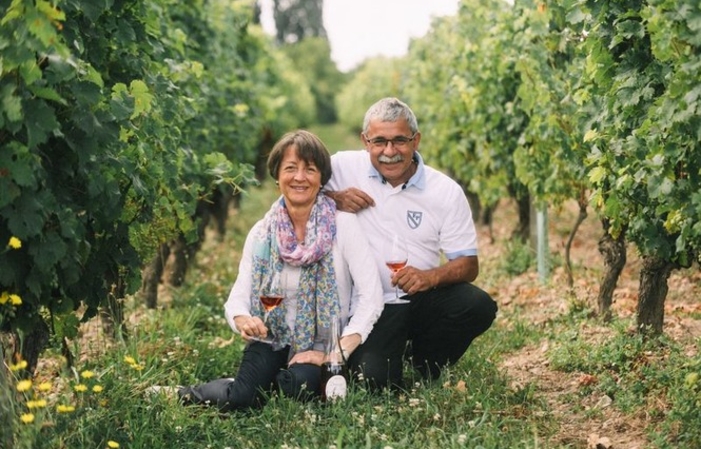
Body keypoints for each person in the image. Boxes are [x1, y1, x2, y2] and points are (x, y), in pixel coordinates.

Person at [176, 130, 384, 411]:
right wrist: (242, 318)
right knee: (241, 400)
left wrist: (335, 354)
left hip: (324, 345)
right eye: (290, 168)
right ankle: (189, 392)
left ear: (321, 178)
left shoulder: (343, 226)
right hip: (272, 338)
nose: (300, 177)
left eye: (310, 169)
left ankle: (252, 382)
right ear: (277, 177)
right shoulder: (262, 233)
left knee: (298, 388)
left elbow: (371, 298)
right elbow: (239, 295)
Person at [324, 97, 498, 388]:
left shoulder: (445, 191)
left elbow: (468, 265)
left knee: (476, 305)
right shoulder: (341, 167)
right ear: (365, 141)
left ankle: (425, 359)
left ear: (415, 141)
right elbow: (292, 193)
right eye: (379, 141)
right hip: (368, 302)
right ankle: (386, 353)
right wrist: (333, 200)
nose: (389, 151)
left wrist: (430, 277)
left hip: (419, 298)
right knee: (373, 381)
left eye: (400, 141)